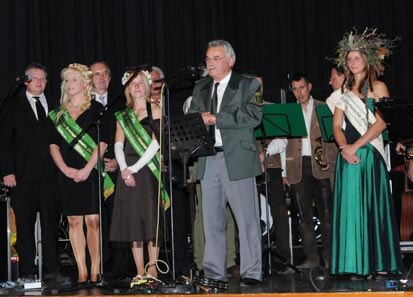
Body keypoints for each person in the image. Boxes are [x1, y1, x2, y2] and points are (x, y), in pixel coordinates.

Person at [327, 28, 403, 278]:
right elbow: (336, 126)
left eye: (356, 57)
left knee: (371, 209)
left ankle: (376, 262)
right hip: (347, 155)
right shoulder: (342, 93)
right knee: (350, 210)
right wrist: (343, 148)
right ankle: (351, 264)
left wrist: (355, 147)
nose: (352, 62)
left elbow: (382, 123)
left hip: (368, 154)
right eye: (349, 59)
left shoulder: (378, 86)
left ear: (366, 60)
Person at [189, 39, 263, 287]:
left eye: (216, 58)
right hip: (208, 159)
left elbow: (254, 115)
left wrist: (216, 118)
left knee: (247, 219)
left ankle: (252, 271)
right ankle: (213, 272)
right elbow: (193, 119)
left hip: (238, 158)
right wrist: (197, 119)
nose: (210, 63)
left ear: (230, 60)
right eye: (208, 59)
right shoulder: (200, 87)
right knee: (211, 220)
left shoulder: (249, 84)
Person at [0, 63, 70, 286]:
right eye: (35, 78)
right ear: (26, 81)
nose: (40, 82)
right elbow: (4, 141)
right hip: (22, 175)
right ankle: (27, 271)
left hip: (50, 176)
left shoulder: (57, 107)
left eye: (44, 79)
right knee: (25, 225)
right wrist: (7, 171)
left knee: (51, 225)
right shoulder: (13, 106)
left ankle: (53, 271)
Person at [49, 63, 110, 284]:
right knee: (74, 220)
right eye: (66, 80)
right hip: (66, 172)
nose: (69, 83)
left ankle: (95, 270)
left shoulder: (96, 110)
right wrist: (65, 169)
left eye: (74, 79)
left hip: (90, 171)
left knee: (93, 220)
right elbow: (53, 145)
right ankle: (82, 270)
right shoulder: (58, 114)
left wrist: (86, 169)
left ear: (85, 84)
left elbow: (102, 143)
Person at [110, 69, 167, 283]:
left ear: (147, 86)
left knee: (151, 219)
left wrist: (134, 168)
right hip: (128, 171)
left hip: (147, 169)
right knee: (133, 221)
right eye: (132, 83)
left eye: (140, 83)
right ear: (127, 88)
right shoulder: (123, 115)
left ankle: (153, 269)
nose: (136, 86)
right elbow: (118, 144)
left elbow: (155, 143)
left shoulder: (156, 110)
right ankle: (139, 271)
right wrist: (125, 169)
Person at [283, 73, 337, 269]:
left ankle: (331, 256)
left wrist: (332, 162)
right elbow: (283, 141)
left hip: (321, 166)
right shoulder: (289, 111)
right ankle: (311, 257)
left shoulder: (324, 107)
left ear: (310, 87)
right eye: (295, 89)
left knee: (327, 213)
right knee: (304, 215)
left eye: (302, 88)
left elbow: (335, 135)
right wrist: (283, 171)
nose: (299, 92)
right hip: (297, 166)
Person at [183, 96, 240, 278]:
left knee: (229, 212)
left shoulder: (226, 98)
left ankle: (229, 261)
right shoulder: (195, 99)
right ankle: (202, 261)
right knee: (204, 214)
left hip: (227, 159)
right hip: (205, 162)